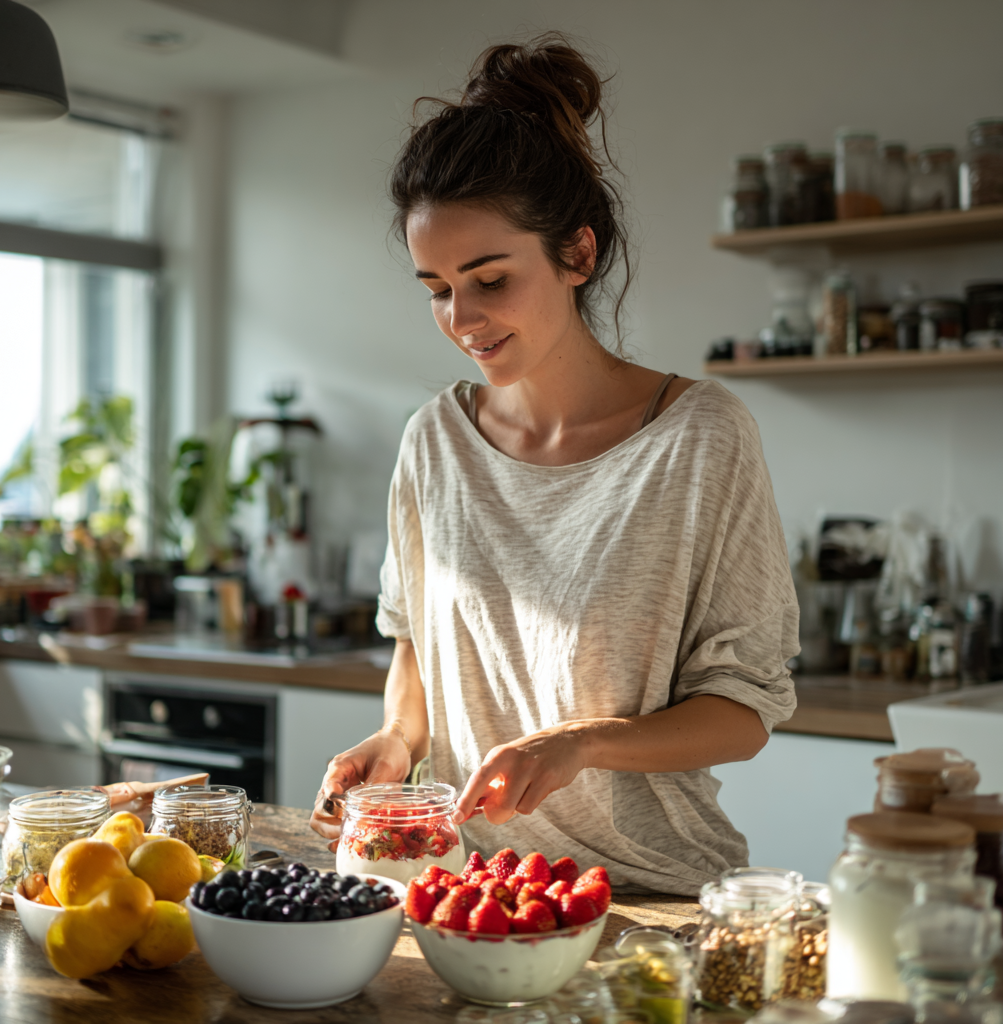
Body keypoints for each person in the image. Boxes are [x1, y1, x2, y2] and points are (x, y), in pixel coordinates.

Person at [310, 35, 799, 895]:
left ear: (577, 255)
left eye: (490, 280)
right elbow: (419, 646)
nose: (462, 318)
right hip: (475, 891)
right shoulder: (434, 442)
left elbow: (745, 711)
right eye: (436, 288)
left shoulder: (698, 437)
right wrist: (395, 739)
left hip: (652, 899)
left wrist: (580, 744)